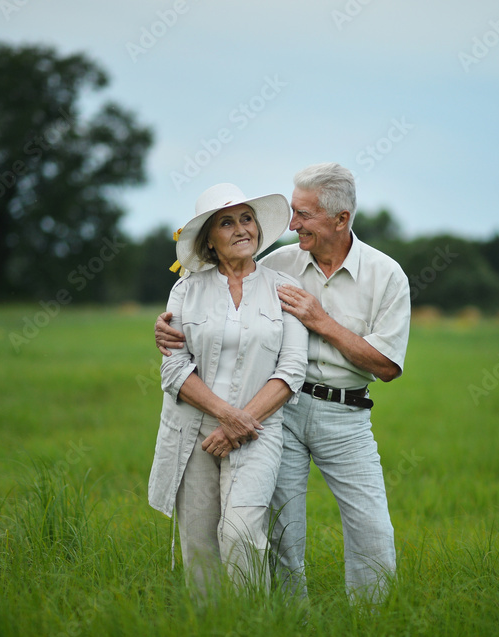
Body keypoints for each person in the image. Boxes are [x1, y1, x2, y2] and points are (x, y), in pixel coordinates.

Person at [156, 163, 411, 604]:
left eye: (303, 215)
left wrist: (322, 322)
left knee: (372, 526)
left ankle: (374, 624)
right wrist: (165, 330)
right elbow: (219, 298)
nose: (292, 225)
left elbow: (387, 366)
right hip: (280, 414)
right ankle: (293, 626)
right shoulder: (277, 264)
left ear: (341, 219)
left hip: (345, 415)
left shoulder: (385, 275)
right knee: (281, 534)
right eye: (292, 213)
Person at [147, 183, 308, 597]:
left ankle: (253, 630)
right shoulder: (186, 290)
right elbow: (173, 370)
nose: (241, 228)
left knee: (240, 532)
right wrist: (225, 415)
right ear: (209, 241)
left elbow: (291, 370)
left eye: (247, 218)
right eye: (227, 222)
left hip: (259, 429)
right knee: (199, 545)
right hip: (194, 431)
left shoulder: (282, 288)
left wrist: (241, 421)